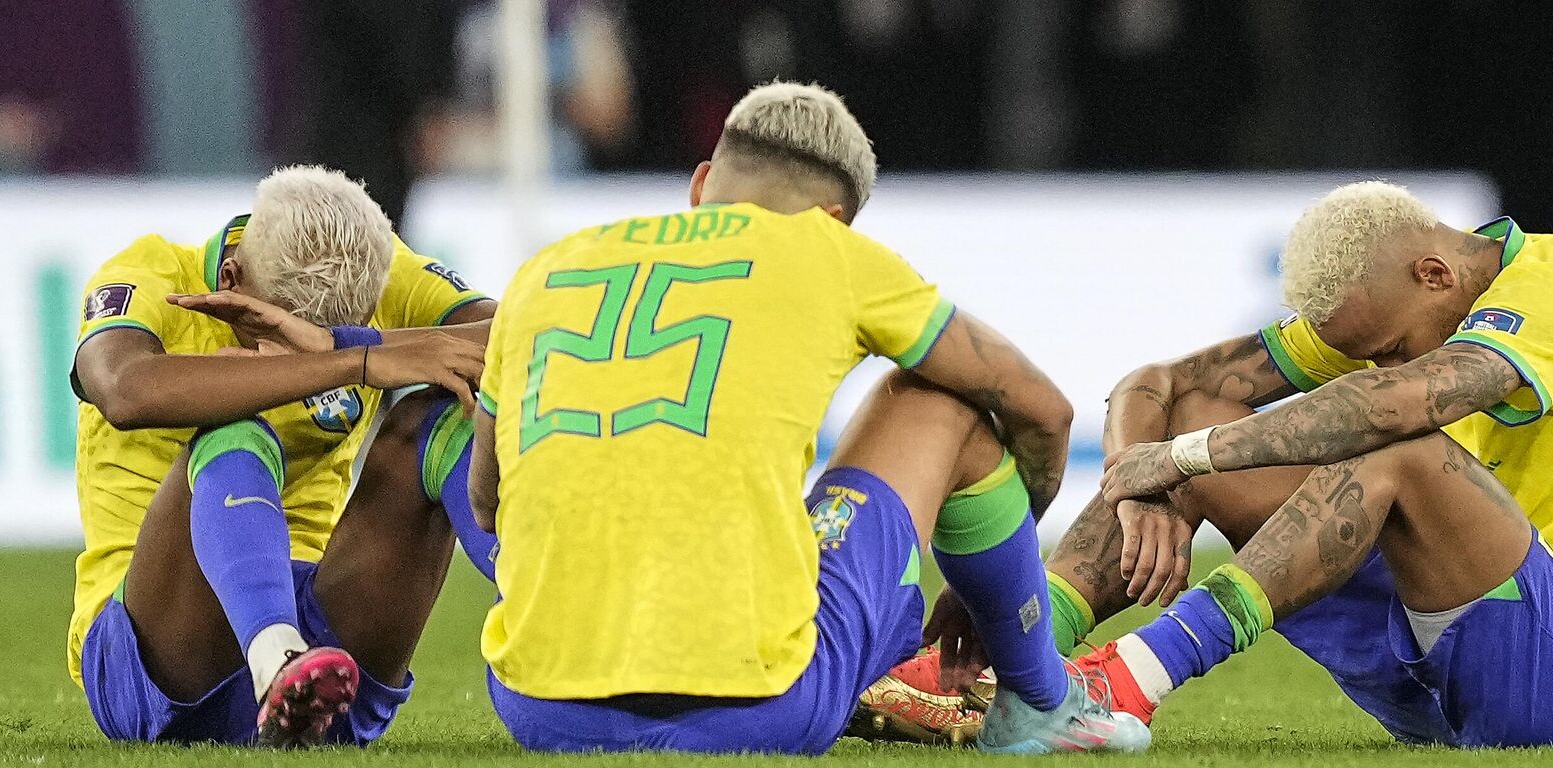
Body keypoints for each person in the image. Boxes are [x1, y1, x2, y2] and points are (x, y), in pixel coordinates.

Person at [868, 181, 1553, 748]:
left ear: (1437, 275)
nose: (1380, 362)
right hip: (1434, 667)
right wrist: (1145, 483)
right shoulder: (1404, 296)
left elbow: (1405, 404)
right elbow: (1157, 385)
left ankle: (1129, 679)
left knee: (1395, 444)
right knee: (1198, 418)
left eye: (1391, 347)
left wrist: (1185, 457)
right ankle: (1007, 658)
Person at [464, 81, 1149, 755]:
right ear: (833, 219)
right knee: (943, 400)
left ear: (702, 183)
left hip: (542, 711)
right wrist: (997, 577)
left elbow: (486, 501)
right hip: (762, 713)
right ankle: (1037, 700)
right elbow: (1045, 410)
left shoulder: (544, 270)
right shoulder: (824, 251)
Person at [68, 165, 498, 747]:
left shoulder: (381, 271)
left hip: (327, 671)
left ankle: (544, 597)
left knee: (446, 409)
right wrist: (351, 361)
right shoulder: (151, 276)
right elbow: (123, 388)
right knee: (236, 414)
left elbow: (521, 334)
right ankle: (272, 651)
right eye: (270, 328)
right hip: (156, 662)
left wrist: (353, 342)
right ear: (231, 275)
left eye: (323, 333)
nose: (283, 351)